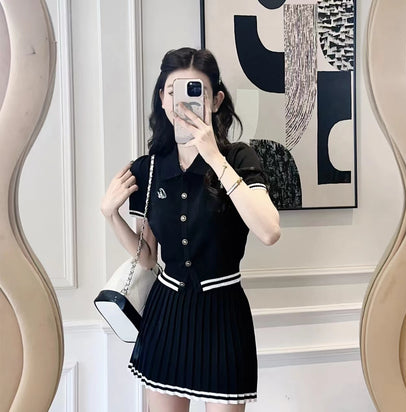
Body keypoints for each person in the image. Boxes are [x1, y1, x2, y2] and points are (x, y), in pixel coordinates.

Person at [101, 47, 280, 412]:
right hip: (165, 316)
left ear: (215, 100)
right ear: (162, 99)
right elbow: (147, 258)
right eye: (172, 91)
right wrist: (111, 215)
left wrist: (213, 155)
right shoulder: (149, 168)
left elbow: (269, 231)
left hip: (223, 316)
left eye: (195, 92)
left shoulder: (239, 159)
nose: (181, 102)